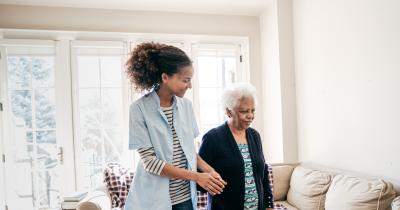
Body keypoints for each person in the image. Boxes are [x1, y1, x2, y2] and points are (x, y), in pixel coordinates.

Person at [124, 42, 226, 210]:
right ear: (165, 77)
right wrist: (196, 177)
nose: (190, 86)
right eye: (185, 80)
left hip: (185, 198)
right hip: (154, 201)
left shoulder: (186, 106)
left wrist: (209, 171)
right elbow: (150, 163)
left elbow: (189, 151)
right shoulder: (139, 109)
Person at [198, 83, 274, 210]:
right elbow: (200, 179)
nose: (250, 115)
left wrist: (269, 203)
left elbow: (263, 172)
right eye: (244, 111)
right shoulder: (213, 138)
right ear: (228, 111)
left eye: (253, 110)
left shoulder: (255, 136)